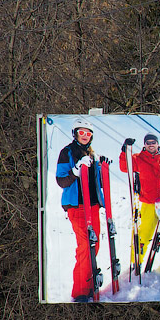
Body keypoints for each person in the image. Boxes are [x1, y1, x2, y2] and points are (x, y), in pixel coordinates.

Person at [54, 118, 105, 302]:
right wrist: (75, 171)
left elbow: (97, 182)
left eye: (88, 133)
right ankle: (80, 292)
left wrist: (102, 166)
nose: (84, 136)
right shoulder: (67, 152)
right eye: (81, 132)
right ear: (75, 134)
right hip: (77, 205)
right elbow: (61, 180)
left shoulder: (92, 154)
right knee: (85, 246)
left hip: (92, 205)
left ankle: (90, 284)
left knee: (95, 244)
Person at [119, 134, 160, 271]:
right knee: (144, 233)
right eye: (148, 143)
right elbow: (125, 167)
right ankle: (136, 260)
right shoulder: (138, 158)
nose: (150, 144)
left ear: (157, 144)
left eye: (153, 142)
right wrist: (125, 151)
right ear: (144, 145)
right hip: (148, 202)